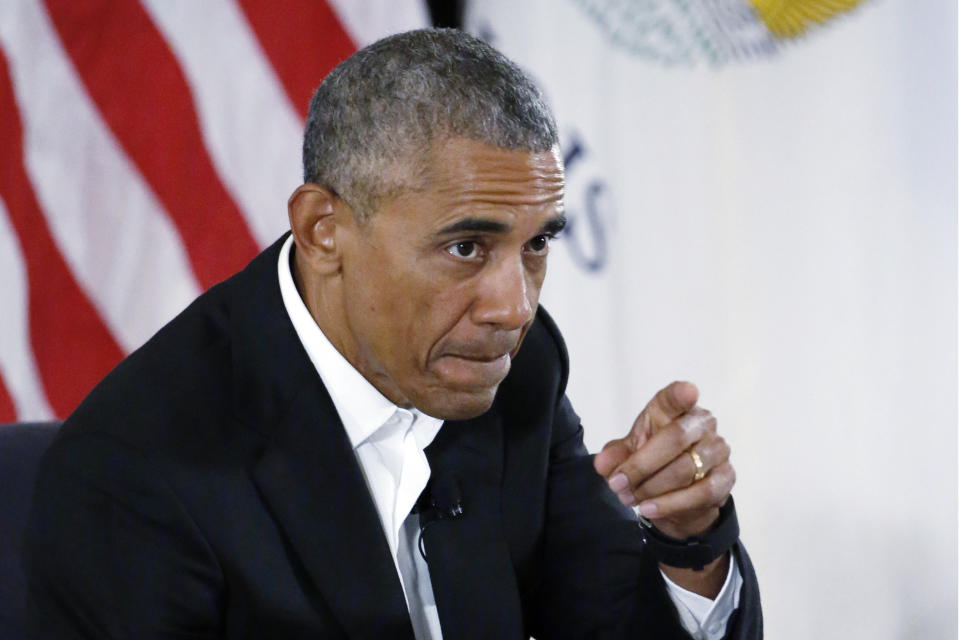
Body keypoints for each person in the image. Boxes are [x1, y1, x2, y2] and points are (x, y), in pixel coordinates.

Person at [25, 29, 761, 639]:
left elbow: (614, 622)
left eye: (537, 244)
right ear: (323, 232)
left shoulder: (514, 369)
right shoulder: (139, 474)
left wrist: (690, 539)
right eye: (468, 247)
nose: (514, 306)